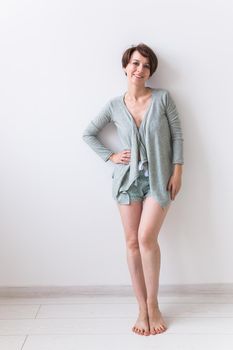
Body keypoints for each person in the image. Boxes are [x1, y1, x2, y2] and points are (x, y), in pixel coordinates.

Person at [82, 43, 184, 336]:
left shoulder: (163, 99)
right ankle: (141, 308)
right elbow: (88, 133)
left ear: (151, 71)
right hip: (127, 182)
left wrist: (178, 171)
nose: (140, 70)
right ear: (126, 67)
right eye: (136, 63)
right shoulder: (114, 105)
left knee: (145, 238)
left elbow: (178, 135)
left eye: (146, 66)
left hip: (159, 179)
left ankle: (154, 305)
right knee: (131, 242)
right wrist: (111, 156)